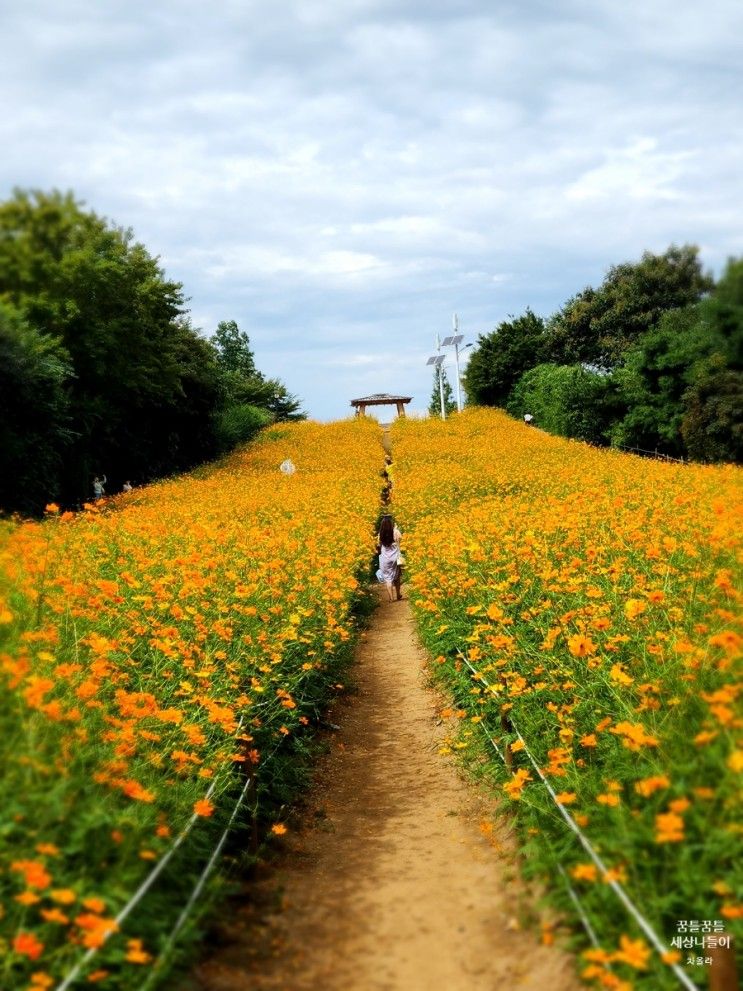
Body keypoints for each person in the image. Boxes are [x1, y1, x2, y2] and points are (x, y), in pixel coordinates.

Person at [376, 514, 404, 602]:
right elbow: (400, 539)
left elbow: (378, 545)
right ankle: (398, 594)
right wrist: (395, 529)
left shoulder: (380, 534)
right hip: (396, 557)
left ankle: (391, 598)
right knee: (397, 576)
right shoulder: (395, 531)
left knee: (388, 578)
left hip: (385, 559)